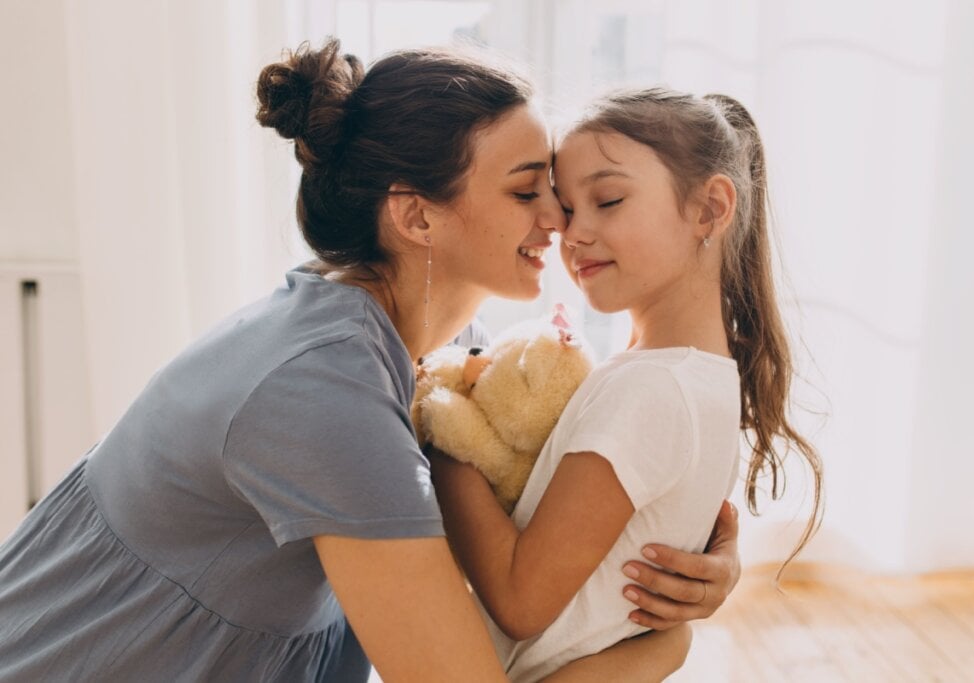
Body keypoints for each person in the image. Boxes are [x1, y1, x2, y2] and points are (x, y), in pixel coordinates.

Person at [0, 42, 741, 682]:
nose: (559, 218)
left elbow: (544, 505)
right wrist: (665, 642)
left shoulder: (414, 345)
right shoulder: (324, 391)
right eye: (526, 190)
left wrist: (711, 564)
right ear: (417, 215)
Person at [429, 88, 824, 681]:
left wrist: (440, 432)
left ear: (710, 209)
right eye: (567, 209)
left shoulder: (650, 390)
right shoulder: (694, 376)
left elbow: (520, 602)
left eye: (608, 200)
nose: (572, 233)